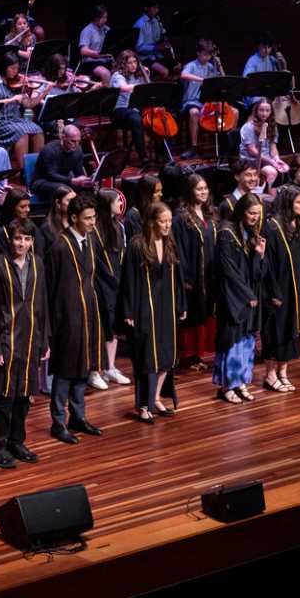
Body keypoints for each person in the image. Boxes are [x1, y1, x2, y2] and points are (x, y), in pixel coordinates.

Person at [0, 221, 49, 462]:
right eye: (18, 238)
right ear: (10, 239)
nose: (22, 243)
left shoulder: (37, 263)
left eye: (27, 239)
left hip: (30, 339)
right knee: (5, 396)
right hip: (6, 339)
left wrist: (44, 341)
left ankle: (17, 442)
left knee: (25, 395)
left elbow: (42, 304)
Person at [119, 203, 184, 422]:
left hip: (166, 307)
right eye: (163, 221)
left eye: (169, 221)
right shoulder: (137, 245)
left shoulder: (169, 243)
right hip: (144, 307)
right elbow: (128, 280)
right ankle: (143, 405)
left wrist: (181, 304)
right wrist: (128, 311)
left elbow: (178, 277)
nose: (167, 225)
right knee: (147, 357)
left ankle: (155, 398)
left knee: (166, 356)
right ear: (152, 222)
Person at [48, 195, 107, 434]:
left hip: (88, 313)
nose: (92, 222)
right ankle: (58, 422)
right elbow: (50, 287)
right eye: (87, 218)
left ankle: (78, 416)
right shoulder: (60, 246)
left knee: (84, 366)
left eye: (94, 217)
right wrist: (53, 324)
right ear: (74, 218)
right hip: (66, 317)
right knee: (65, 370)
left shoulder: (90, 240)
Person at [214, 194, 269, 402]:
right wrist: (246, 295)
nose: (255, 218)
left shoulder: (252, 233)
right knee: (233, 340)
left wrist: (260, 254)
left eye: (258, 214)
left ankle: (241, 382)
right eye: (251, 213)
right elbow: (228, 270)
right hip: (233, 297)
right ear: (241, 211)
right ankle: (228, 385)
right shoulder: (226, 233)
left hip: (249, 295)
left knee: (247, 339)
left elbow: (257, 273)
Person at [260, 186, 300, 392]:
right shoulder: (273, 227)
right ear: (288, 203)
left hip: (296, 289)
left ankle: (283, 372)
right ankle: (270, 374)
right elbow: (268, 263)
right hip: (278, 289)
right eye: (299, 202)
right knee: (276, 331)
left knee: (291, 330)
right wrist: (273, 292)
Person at [174, 173, 219, 373]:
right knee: (192, 314)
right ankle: (187, 356)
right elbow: (180, 249)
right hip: (192, 275)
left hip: (209, 273)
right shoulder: (182, 218)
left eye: (205, 188)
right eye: (199, 189)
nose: (203, 192)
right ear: (189, 191)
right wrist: (185, 277)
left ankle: (198, 354)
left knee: (204, 312)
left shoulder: (210, 213)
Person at [96, 187, 132, 389]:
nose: (120, 204)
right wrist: (111, 280)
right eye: (117, 200)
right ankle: (96, 370)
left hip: (117, 282)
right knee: (102, 327)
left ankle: (110, 366)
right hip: (102, 284)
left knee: (115, 327)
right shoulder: (96, 230)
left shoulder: (119, 226)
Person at [31, 124, 94, 206]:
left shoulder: (78, 151)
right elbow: (51, 175)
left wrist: (86, 181)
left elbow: (78, 173)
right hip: (42, 181)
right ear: (63, 137)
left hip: (64, 180)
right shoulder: (49, 150)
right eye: (73, 141)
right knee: (63, 189)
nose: (76, 145)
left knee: (89, 188)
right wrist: (72, 181)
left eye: (78, 141)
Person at [238, 99, 287, 190]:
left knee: (285, 169)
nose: (264, 113)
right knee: (272, 172)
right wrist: (270, 161)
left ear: (271, 112)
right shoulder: (248, 127)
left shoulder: (273, 126)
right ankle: (262, 194)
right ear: (256, 111)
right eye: (261, 110)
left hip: (265, 159)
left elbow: (273, 147)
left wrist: (277, 159)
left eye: (267, 110)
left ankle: (270, 194)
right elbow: (252, 151)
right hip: (251, 160)